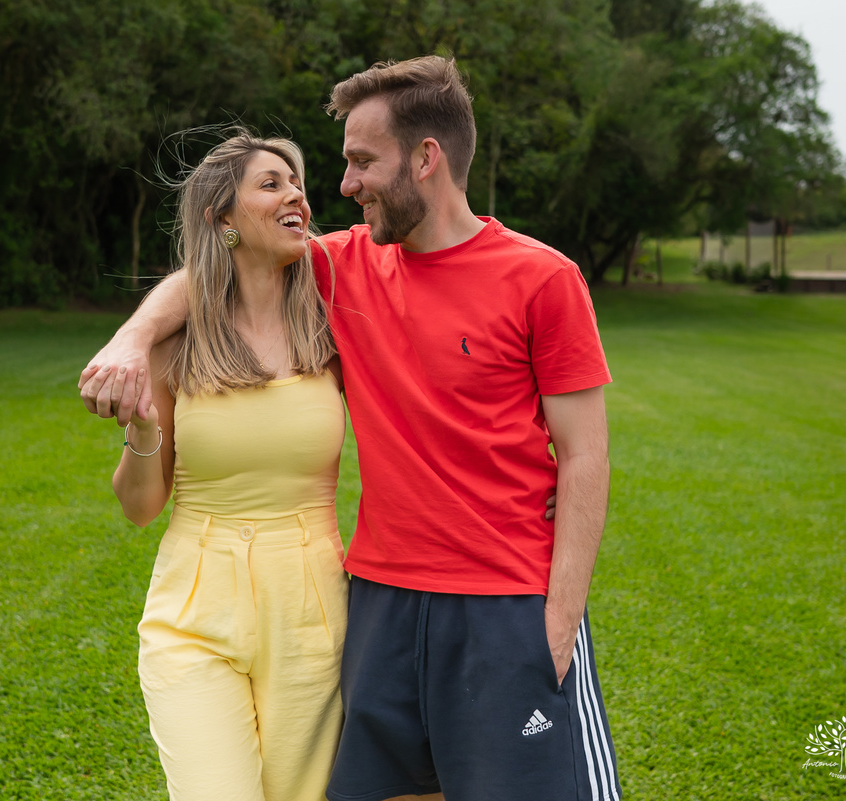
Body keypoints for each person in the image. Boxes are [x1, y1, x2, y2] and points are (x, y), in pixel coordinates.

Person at [85, 56, 620, 801]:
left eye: (362, 161)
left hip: (504, 603)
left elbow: (586, 454)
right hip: (380, 602)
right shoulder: (343, 267)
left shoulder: (544, 278)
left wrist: (558, 621)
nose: (343, 185)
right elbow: (216, 269)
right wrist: (134, 339)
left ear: (425, 158)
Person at [110, 132, 350, 801]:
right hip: (194, 606)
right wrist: (142, 429)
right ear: (223, 218)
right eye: (271, 183)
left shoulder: (334, 329)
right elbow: (138, 506)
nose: (296, 193)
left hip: (312, 608)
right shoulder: (176, 345)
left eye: (296, 182)